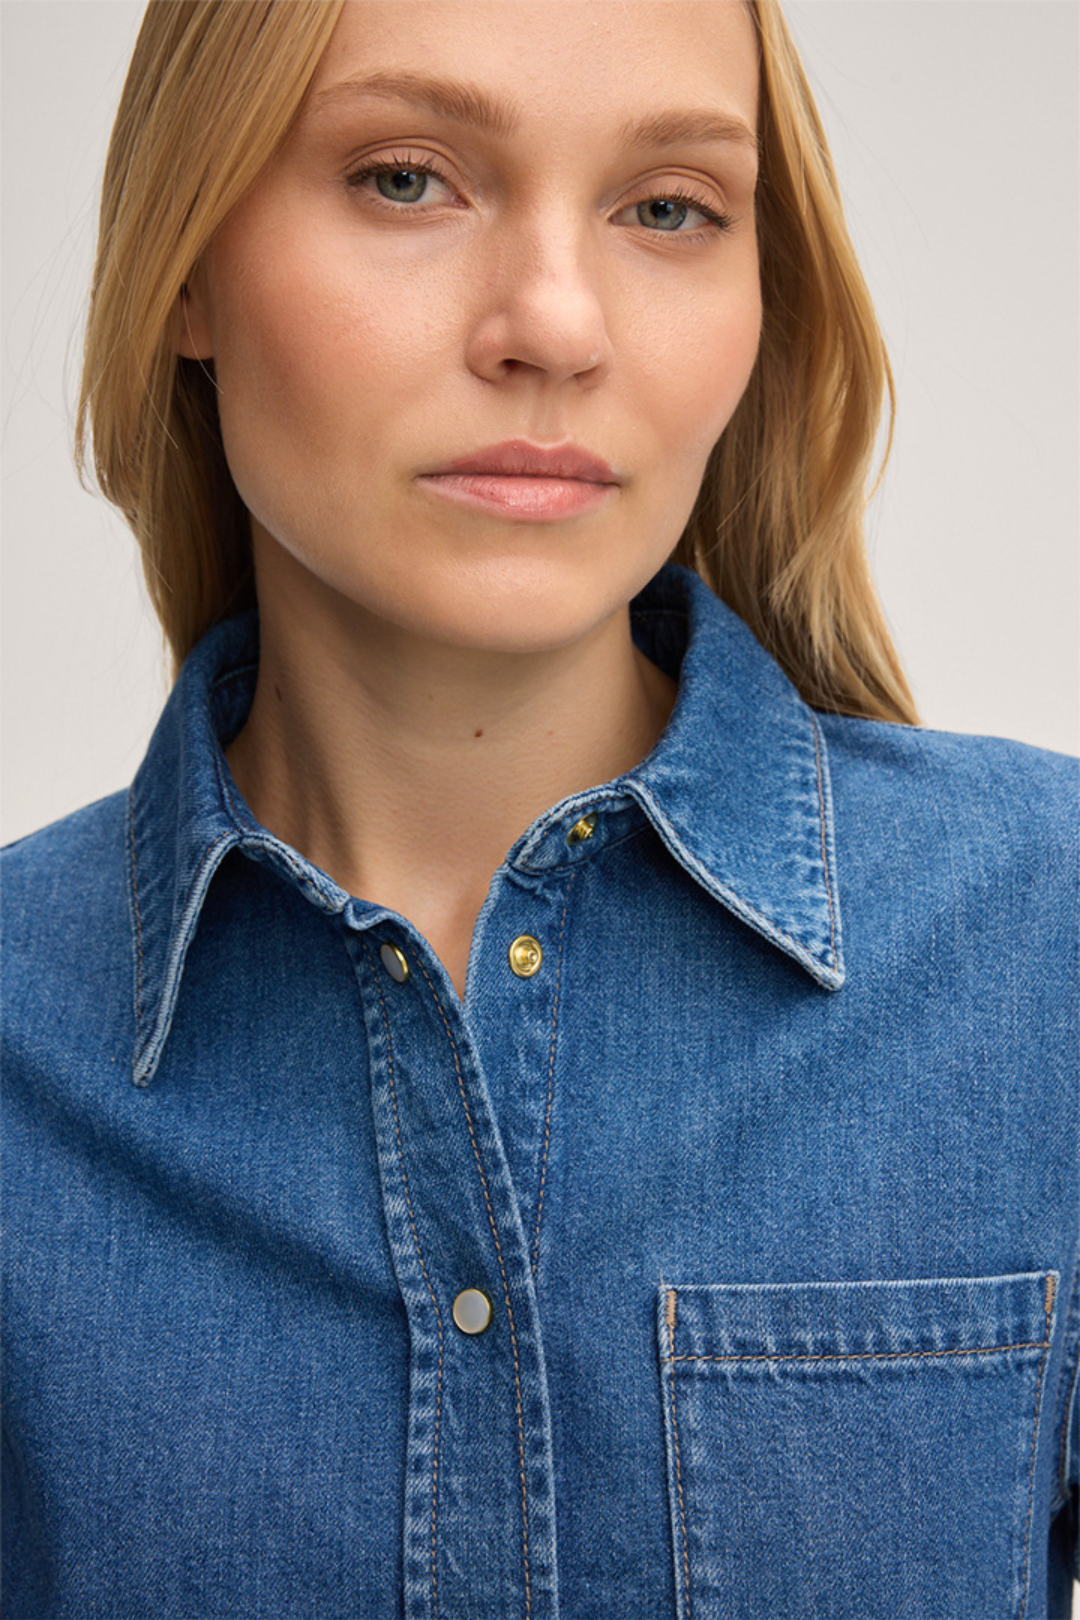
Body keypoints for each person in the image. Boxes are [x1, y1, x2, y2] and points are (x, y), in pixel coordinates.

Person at [2, 0, 1076, 1615]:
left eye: (668, 208)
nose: (556, 324)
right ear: (187, 267)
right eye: (407, 179)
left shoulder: (1046, 944)